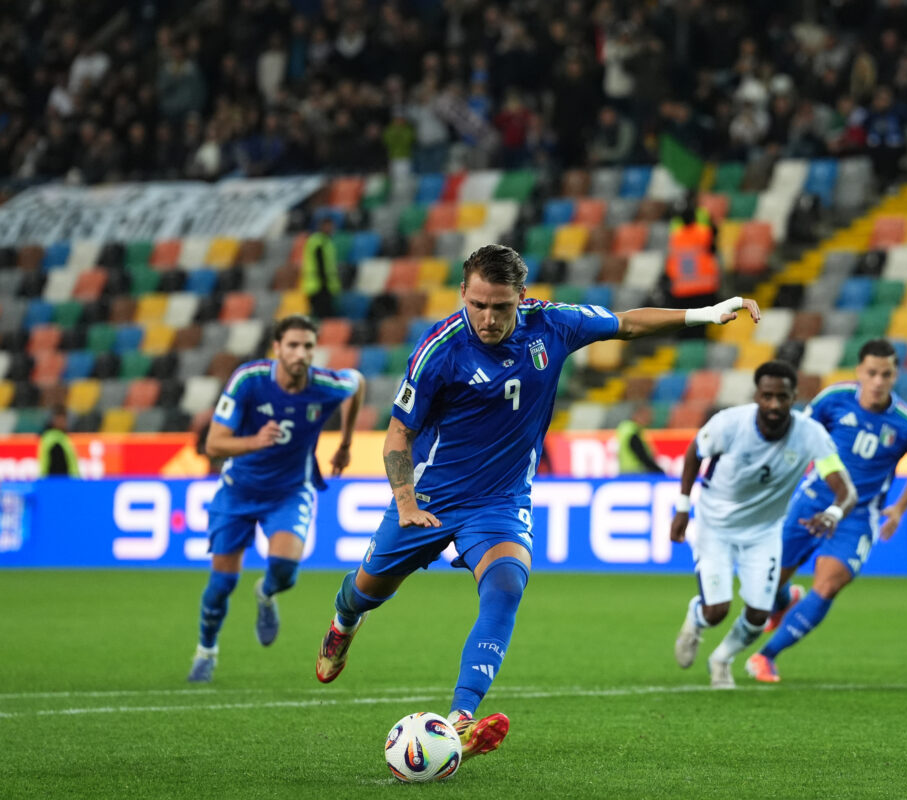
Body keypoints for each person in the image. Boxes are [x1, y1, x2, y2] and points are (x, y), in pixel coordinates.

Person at [314, 244, 759, 761]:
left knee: (506, 585)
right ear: (463, 293)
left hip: (500, 500)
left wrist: (706, 313)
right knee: (366, 591)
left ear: (521, 297)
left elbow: (626, 324)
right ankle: (343, 624)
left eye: (500, 307)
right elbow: (398, 434)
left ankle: (461, 719)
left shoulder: (553, 325)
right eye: (477, 304)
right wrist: (405, 501)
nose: (487, 318)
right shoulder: (440, 348)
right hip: (431, 495)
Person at [187, 315, 364, 683]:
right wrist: (255, 441)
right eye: (293, 345)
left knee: (284, 571)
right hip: (238, 490)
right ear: (277, 348)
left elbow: (357, 383)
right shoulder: (249, 380)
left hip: (290, 491)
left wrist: (346, 443)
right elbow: (214, 444)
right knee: (221, 585)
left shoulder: (325, 385)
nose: (301, 353)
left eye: (308, 346)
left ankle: (266, 594)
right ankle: (206, 650)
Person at [748, 339, 907, 683]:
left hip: (858, 516)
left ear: (895, 376)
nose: (878, 381)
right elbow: (799, 435)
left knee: (829, 585)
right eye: (872, 373)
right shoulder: (834, 399)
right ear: (860, 371)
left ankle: (766, 656)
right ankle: (784, 600)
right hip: (812, 501)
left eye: (886, 374)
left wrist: (899, 508)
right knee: (766, 582)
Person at [671, 360, 856, 689]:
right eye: (767, 396)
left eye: (782, 397)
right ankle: (695, 619)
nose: (774, 404)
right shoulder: (729, 424)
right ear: (756, 395)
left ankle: (722, 659)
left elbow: (847, 491)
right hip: (716, 526)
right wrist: (683, 508)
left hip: (764, 532)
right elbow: (693, 453)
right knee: (716, 612)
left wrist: (833, 513)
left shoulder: (810, 434)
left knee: (759, 614)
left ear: (794, 398)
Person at [302, 216, 341, 319]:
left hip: (322, 285)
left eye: (331, 226)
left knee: (323, 315)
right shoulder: (319, 242)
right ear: (321, 227)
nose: (330, 229)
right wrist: (325, 284)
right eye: (327, 226)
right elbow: (320, 265)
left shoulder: (326, 241)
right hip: (319, 285)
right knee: (322, 315)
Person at [615, 404, 664, 475]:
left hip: (624, 471)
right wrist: (658, 471)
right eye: (646, 415)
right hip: (635, 473)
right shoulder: (632, 431)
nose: (650, 419)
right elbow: (641, 455)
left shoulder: (624, 428)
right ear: (637, 415)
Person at [38, 407, 80, 477]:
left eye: (63, 420)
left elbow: (72, 461)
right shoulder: (49, 438)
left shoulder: (65, 438)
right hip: (54, 479)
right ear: (54, 421)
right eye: (59, 420)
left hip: (66, 479)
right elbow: (44, 461)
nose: (62, 423)